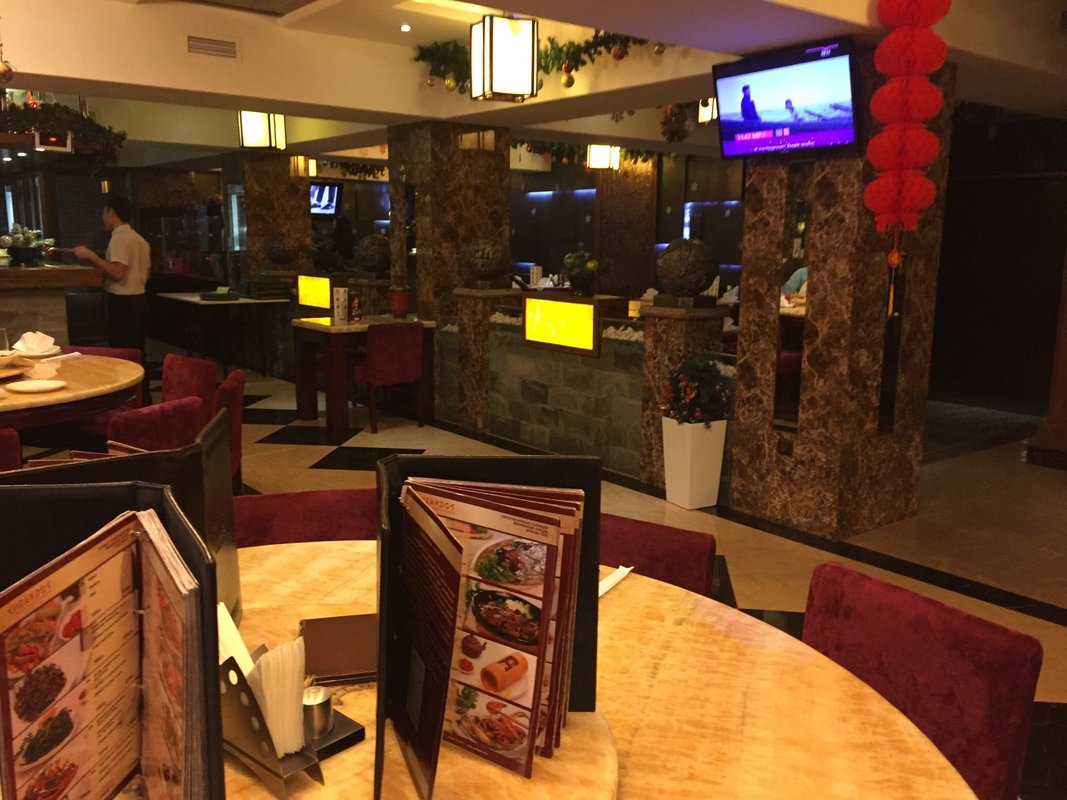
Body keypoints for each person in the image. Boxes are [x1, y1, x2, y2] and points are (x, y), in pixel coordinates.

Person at [73, 194, 151, 352]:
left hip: (123, 303)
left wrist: (90, 255)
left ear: (111, 212)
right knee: (136, 351)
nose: (103, 217)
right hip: (140, 300)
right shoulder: (139, 239)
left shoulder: (119, 239)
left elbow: (118, 272)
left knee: (122, 351)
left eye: (104, 212)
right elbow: (147, 273)